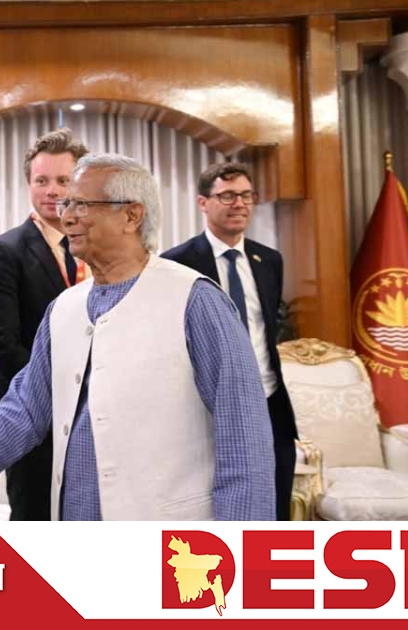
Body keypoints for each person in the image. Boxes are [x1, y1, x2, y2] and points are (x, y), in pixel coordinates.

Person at [0, 153, 276, 520]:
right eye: (66, 205)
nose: (67, 216)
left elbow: (244, 438)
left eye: (81, 205)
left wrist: (240, 548)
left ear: (131, 215)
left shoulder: (196, 301)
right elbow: (24, 409)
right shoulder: (63, 309)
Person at [160, 162, 298, 520]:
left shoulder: (269, 260)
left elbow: (268, 326)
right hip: (209, 407)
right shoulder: (176, 264)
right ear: (203, 203)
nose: (239, 204)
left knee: (275, 503)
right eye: (228, 196)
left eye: (246, 195)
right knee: (217, 507)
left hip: (269, 400)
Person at [0, 128, 89, 521]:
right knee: (34, 523)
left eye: (63, 180)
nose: (52, 190)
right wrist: (68, 390)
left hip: (94, 416)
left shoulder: (95, 249)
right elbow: (5, 350)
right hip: (33, 415)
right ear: (28, 184)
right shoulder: (4, 252)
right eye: (41, 181)